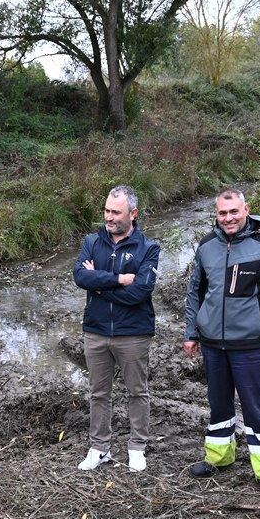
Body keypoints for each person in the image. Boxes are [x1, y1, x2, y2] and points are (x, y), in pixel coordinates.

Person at [183, 188, 260, 499]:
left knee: (258, 408)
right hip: (213, 345)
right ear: (216, 214)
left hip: (251, 346)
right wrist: (191, 333)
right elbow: (195, 292)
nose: (228, 218)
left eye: (234, 211)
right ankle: (219, 458)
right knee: (218, 405)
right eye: (222, 213)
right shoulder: (207, 245)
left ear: (246, 209)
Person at [72, 185, 161, 472]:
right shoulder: (91, 241)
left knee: (137, 391)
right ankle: (99, 448)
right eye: (107, 211)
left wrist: (98, 285)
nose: (109, 217)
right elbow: (79, 276)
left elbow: (140, 292)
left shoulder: (148, 248)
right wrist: (119, 279)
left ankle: (137, 448)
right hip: (96, 331)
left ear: (133, 214)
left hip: (133, 332)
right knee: (99, 393)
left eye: (116, 213)